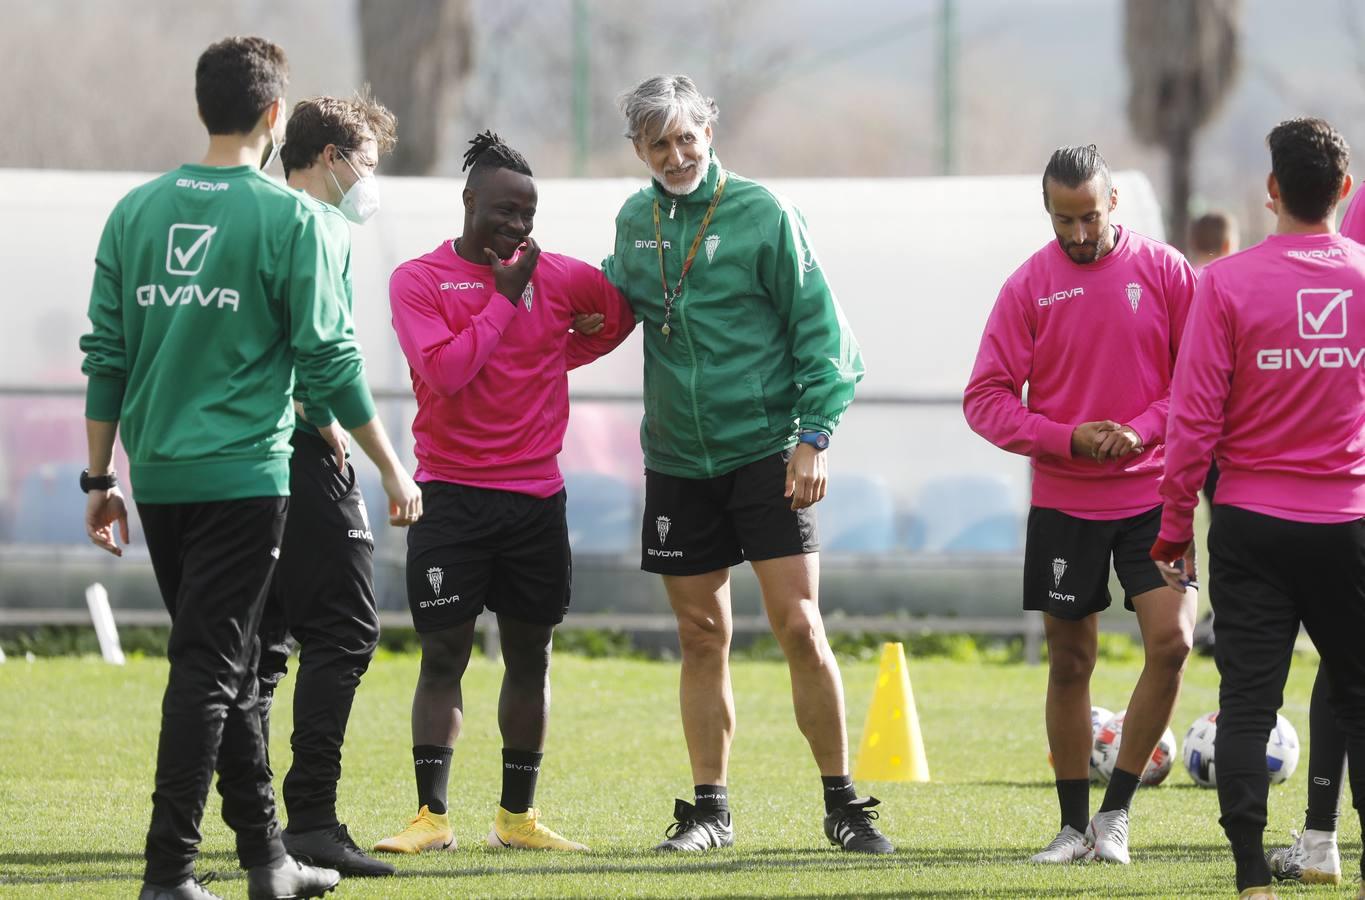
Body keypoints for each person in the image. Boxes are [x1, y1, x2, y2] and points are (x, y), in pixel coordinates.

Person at [80, 37, 420, 900]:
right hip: (243, 476)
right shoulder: (293, 220)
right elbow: (332, 363)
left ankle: (268, 862)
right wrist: (392, 467)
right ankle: (171, 872)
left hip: (155, 477)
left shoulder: (135, 212)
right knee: (209, 669)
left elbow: (107, 354)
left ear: (205, 107)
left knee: (224, 664)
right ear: (275, 116)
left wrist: (99, 479)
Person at [604, 75, 891, 855]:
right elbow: (602, 310)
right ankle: (709, 811)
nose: (675, 154)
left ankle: (843, 805)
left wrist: (813, 436)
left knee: (799, 626)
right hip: (673, 459)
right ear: (637, 149)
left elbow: (826, 337)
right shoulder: (634, 220)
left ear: (708, 130)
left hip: (766, 453)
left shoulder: (763, 213)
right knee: (700, 636)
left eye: (685, 136)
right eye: (657, 142)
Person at [373, 131, 633, 855]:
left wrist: (559, 343)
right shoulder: (418, 280)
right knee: (443, 656)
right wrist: (504, 302)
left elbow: (618, 313)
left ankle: (516, 819)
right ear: (467, 203)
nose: (517, 225)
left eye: (528, 212)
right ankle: (431, 818)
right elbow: (449, 372)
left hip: (533, 503)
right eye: (503, 210)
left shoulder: (558, 275)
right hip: (449, 498)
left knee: (530, 657)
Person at [964, 145, 1198, 865]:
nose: (1076, 234)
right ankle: (1071, 829)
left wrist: (1142, 430)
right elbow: (985, 400)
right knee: (1070, 663)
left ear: (1112, 205)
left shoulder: (1163, 272)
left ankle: (1115, 816)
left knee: (1173, 642)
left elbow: (1197, 379)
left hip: (1153, 497)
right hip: (1065, 504)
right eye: (1062, 220)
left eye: (1087, 217)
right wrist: (1067, 437)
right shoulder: (1027, 286)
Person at [1153, 117, 1365, 899]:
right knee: (1357, 694)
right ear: (1343, 190)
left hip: (1248, 524)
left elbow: (1192, 420)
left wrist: (1176, 526)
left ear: (1271, 191)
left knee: (1246, 702)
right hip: (1347, 524)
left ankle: (1250, 877)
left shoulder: (1227, 282)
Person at [252, 89, 412, 878]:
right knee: (345, 632)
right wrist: (385, 460)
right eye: (368, 165)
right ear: (328, 158)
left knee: (260, 647)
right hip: (303, 453)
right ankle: (310, 820)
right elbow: (327, 358)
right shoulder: (316, 226)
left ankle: (258, 828)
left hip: (239, 457)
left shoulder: (247, 221)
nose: (370, 184)